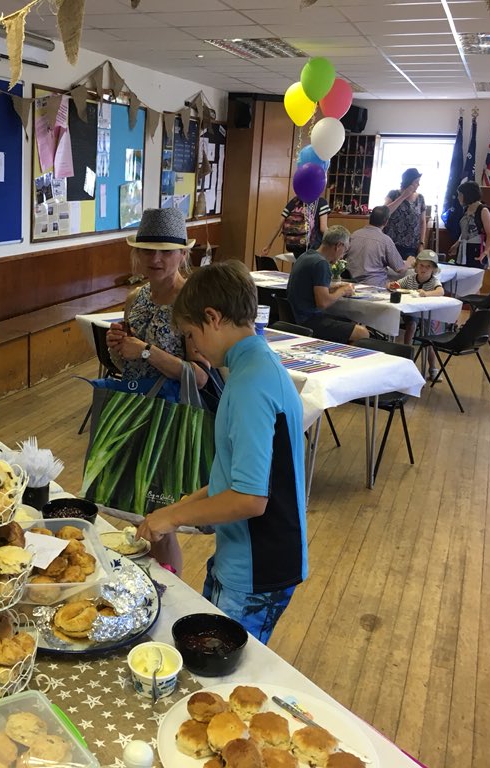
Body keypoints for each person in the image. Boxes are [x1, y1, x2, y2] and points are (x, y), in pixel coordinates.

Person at [137, 260, 307, 644]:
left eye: (192, 334)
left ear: (213, 317)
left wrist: (175, 514)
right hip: (244, 555)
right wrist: (175, 510)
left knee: (227, 675)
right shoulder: (252, 366)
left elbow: (249, 498)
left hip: (258, 567)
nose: (193, 346)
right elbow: (230, 479)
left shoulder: (251, 385)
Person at [105, 208, 208, 575]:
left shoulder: (191, 303)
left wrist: (146, 350)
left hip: (169, 423)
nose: (156, 259)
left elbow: (199, 376)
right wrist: (118, 347)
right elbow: (127, 367)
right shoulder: (137, 298)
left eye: (166, 250)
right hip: (135, 414)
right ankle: (146, 587)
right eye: (148, 251)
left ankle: (170, 593)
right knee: (140, 514)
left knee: (161, 522)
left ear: (183, 254)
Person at [286, 226, 369, 343]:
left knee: (349, 322)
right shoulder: (321, 264)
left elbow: (309, 287)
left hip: (294, 316)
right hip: (308, 320)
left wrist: (331, 287)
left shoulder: (306, 256)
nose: (343, 256)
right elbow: (323, 303)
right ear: (338, 246)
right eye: (345, 250)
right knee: (362, 333)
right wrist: (343, 290)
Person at [390, 250, 445, 376]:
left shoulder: (433, 281)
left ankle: (433, 368)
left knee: (428, 339)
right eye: (421, 265)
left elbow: (440, 291)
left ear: (433, 269)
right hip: (411, 314)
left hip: (426, 315)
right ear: (416, 266)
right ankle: (407, 357)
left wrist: (427, 294)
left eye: (428, 266)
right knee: (411, 326)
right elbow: (397, 285)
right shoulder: (410, 279)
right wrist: (392, 285)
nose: (424, 269)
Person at [344, 206, 414, 287]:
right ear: (386, 222)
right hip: (375, 285)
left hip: (350, 282)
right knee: (410, 275)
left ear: (370, 218)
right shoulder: (385, 240)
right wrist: (408, 262)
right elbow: (400, 269)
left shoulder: (354, 234)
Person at [260, 195, 330, 258]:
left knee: (299, 267)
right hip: (314, 248)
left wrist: (268, 245)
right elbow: (323, 228)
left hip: (295, 246)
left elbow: (278, 226)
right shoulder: (321, 202)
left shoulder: (294, 201)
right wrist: (335, 240)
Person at [449, 181, 490, 270]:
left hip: (477, 250)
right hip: (464, 248)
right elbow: (465, 230)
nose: (458, 198)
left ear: (467, 195)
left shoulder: (483, 210)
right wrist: (457, 244)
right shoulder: (466, 209)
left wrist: (485, 252)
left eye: (460, 195)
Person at [384, 168, 427, 259]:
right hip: (391, 243)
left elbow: (422, 222)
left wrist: (421, 243)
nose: (418, 184)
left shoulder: (420, 198)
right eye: (416, 182)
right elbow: (385, 212)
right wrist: (403, 196)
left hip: (411, 246)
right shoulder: (393, 194)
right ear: (408, 182)